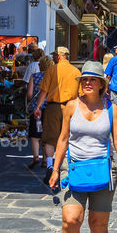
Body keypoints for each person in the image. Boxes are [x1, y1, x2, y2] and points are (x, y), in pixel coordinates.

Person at [50, 62, 117, 233]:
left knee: (99, 223)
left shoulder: (111, 109)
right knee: (71, 219)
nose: (87, 83)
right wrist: (56, 169)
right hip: (74, 169)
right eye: (84, 79)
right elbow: (63, 139)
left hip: (104, 171)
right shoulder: (70, 106)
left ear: (101, 84)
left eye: (92, 79)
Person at [35, 46, 82, 184]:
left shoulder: (51, 70)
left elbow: (43, 91)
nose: (54, 57)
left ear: (59, 56)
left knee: (49, 138)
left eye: (55, 55)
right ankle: (66, 167)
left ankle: (50, 166)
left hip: (53, 107)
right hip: (71, 107)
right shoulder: (75, 71)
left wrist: (38, 107)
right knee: (69, 137)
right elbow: (80, 94)